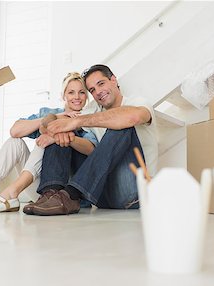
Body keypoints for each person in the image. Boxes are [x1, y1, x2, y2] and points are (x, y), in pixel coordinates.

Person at [0, 72, 98, 213]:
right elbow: (15, 131)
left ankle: (12, 192)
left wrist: (56, 135)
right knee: (15, 141)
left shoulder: (87, 119)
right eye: (71, 92)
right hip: (41, 190)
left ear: (87, 96)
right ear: (63, 95)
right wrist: (55, 118)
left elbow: (92, 149)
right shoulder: (50, 113)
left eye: (82, 92)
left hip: (67, 193)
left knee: (48, 137)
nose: (77, 97)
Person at [23, 64, 158, 216]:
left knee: (121, 125)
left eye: (101, 83)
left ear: (113, 80)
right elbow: (54, 118)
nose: (98, 92)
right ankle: (51, 194)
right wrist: (55, 129)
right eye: (92, 90)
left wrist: (76, 122)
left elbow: (134, 117)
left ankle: (71, 194)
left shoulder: (138, 102)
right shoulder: (93, 110)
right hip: (99, 195)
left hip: (133, 193)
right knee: (65, 131)